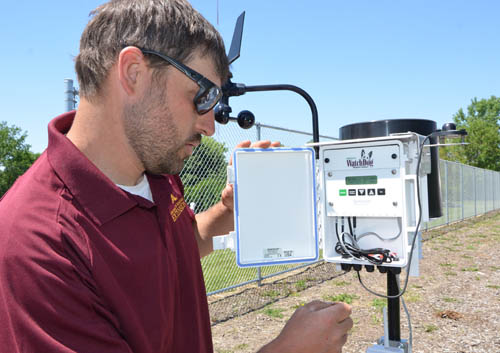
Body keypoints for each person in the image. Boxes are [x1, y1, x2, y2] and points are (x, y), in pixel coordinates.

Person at [0, 0, 353, 352]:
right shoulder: (37, 245)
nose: (210, 125)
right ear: (133, 72)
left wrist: (228, 213)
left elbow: (175, 244)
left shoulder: (156, 169)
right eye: (202, 96)